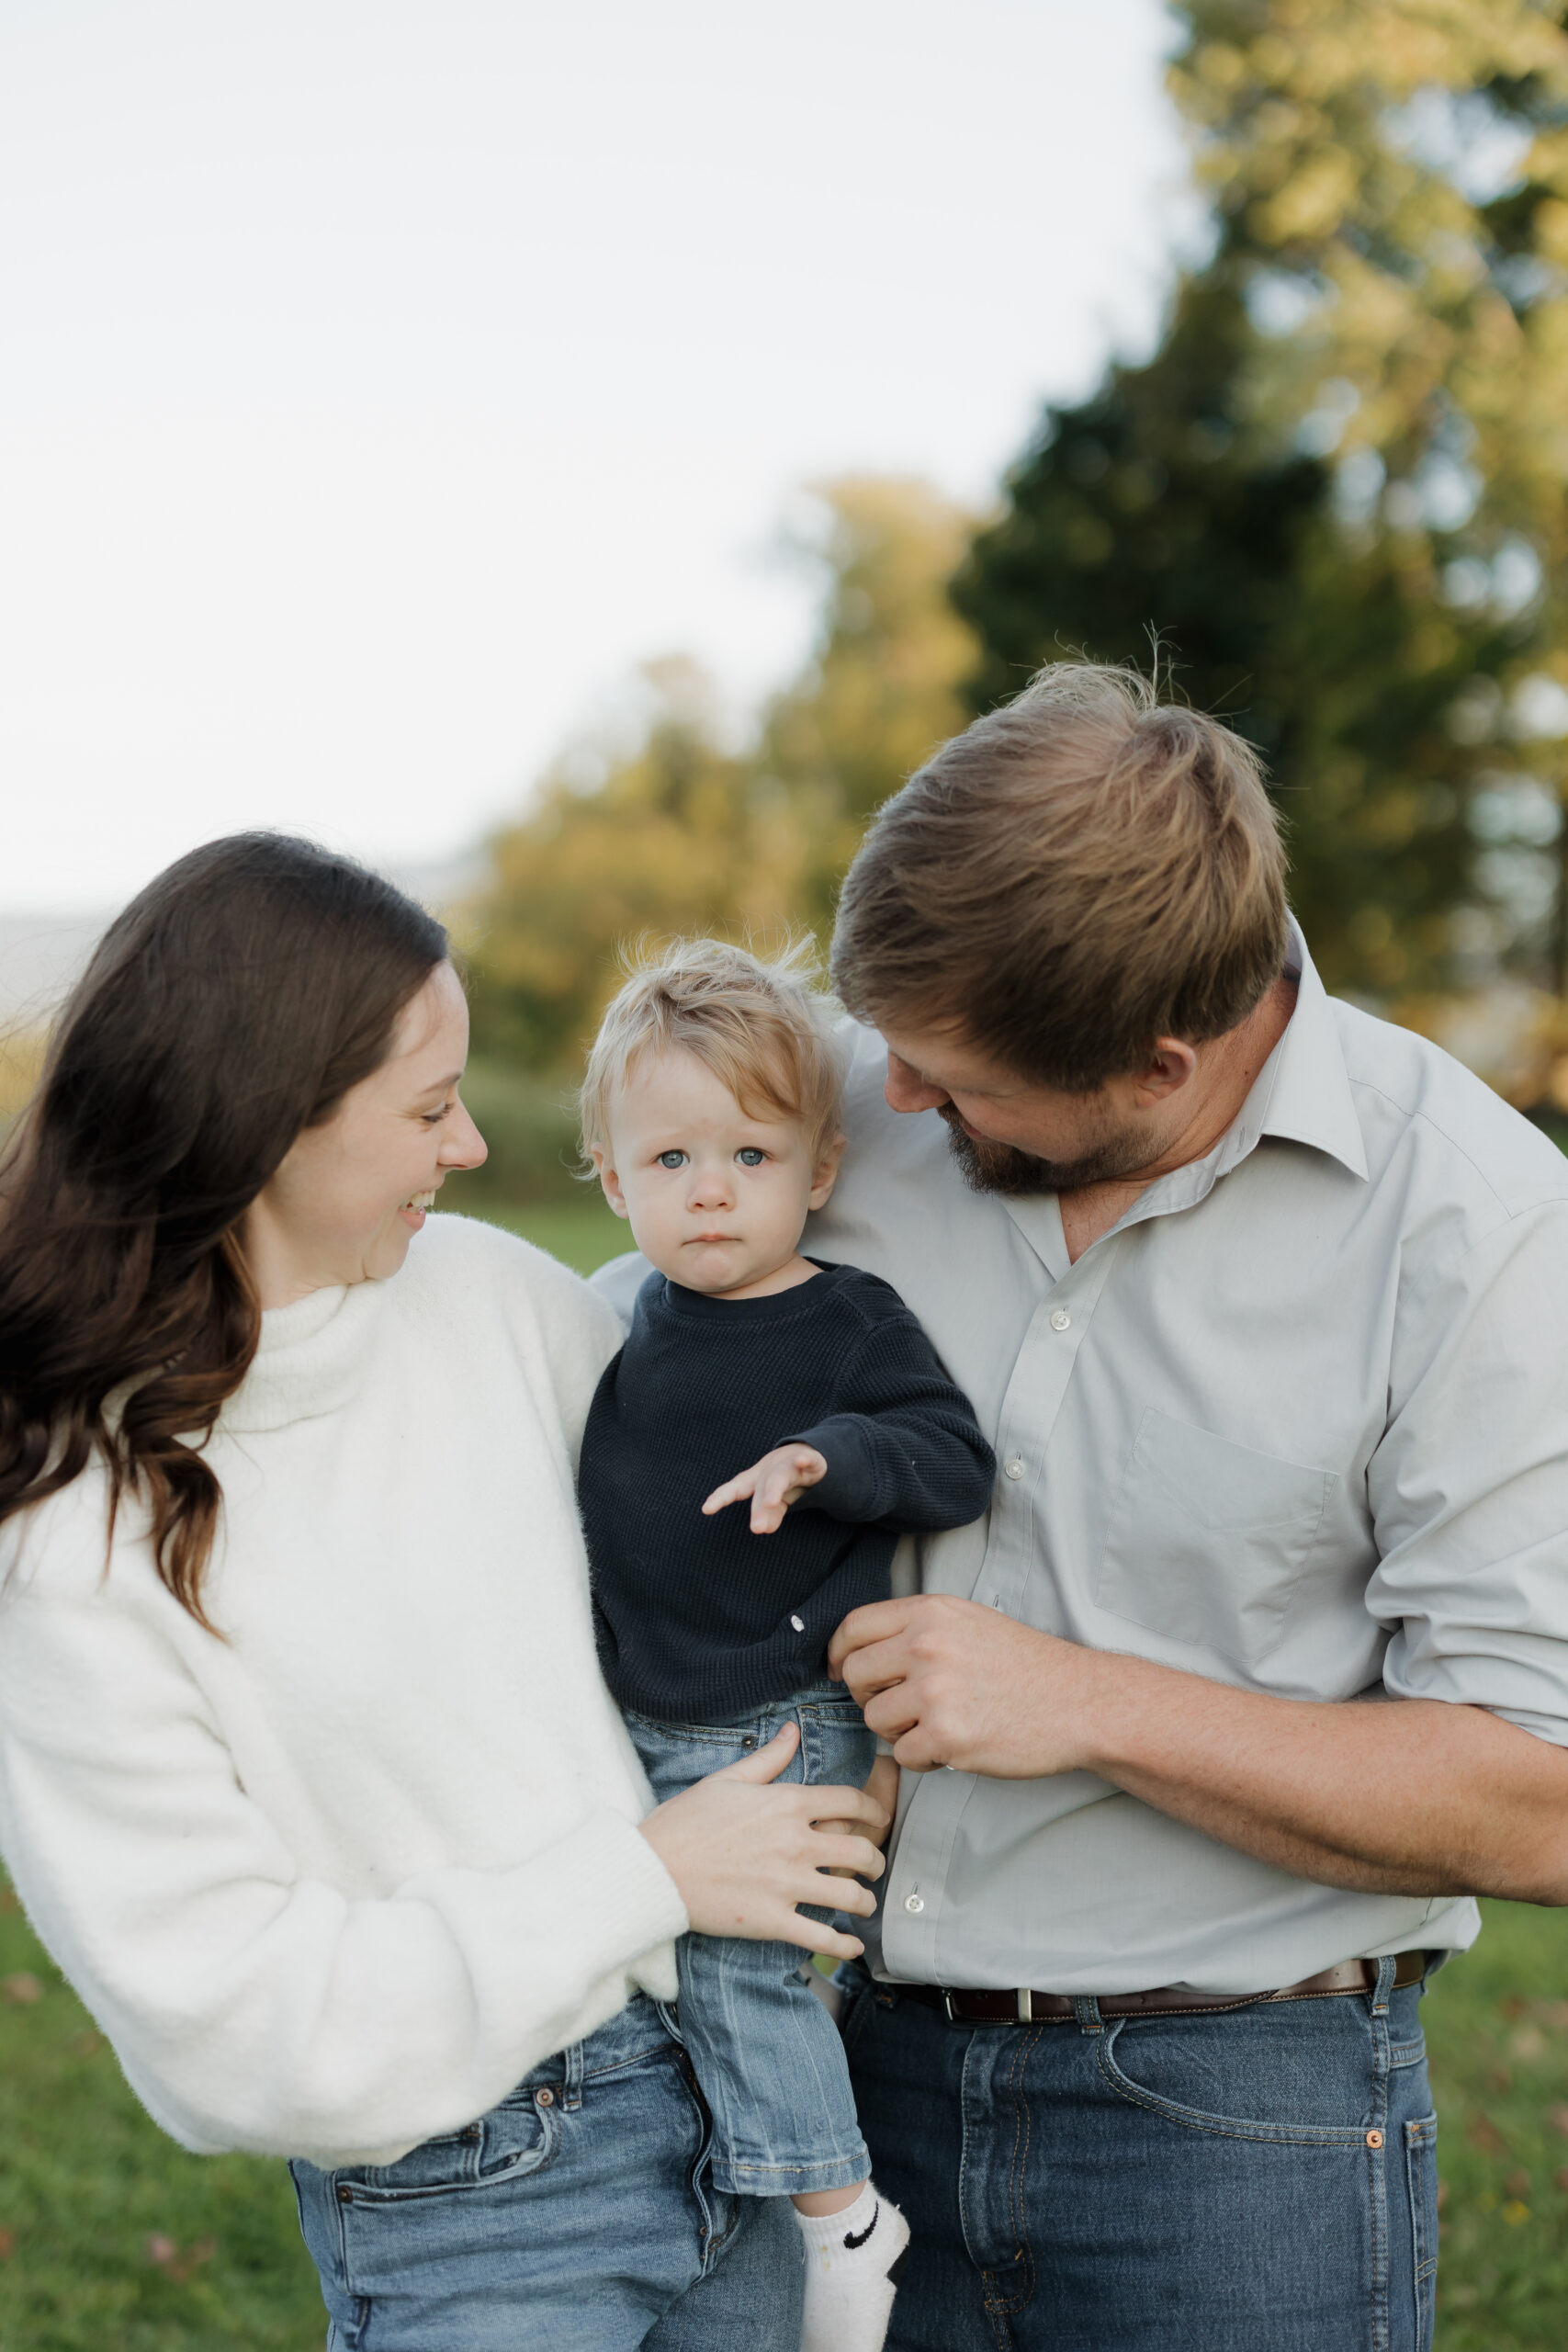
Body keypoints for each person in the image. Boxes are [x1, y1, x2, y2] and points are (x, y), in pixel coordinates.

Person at [595, 661, 1568, 2349]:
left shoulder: (1475, 1229)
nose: (893, 1103)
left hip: (1235, 2123)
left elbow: (1540, 1794)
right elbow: (563, 1341)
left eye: (950, 1081)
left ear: (1155, 1059)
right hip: (821, 2068)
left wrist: (1082, 1704)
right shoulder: (840, 1109)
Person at [0, 834, 891, 2352]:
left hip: (742, 2120)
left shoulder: (499, 1305)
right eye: (428, 1108)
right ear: (269, 1123)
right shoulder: (73, 1535)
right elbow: (237, 2025)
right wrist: (648, 1879)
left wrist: (832, 1760)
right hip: (478, 2204)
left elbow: (729, 1582)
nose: (473, 1145)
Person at [578, 940, 996, 2352]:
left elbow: (952, 1457)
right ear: (612, 1172)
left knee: (738, 1964)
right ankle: (741, 2201)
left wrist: (830, 1460)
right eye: (674, 1158)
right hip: (662, 1704)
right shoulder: (618, 1325)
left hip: (788, 1702)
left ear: (819, 1172)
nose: (711, 1190)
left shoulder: (842, 1319)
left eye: (752, 1156)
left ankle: (839, 2218)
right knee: (673, 1966)